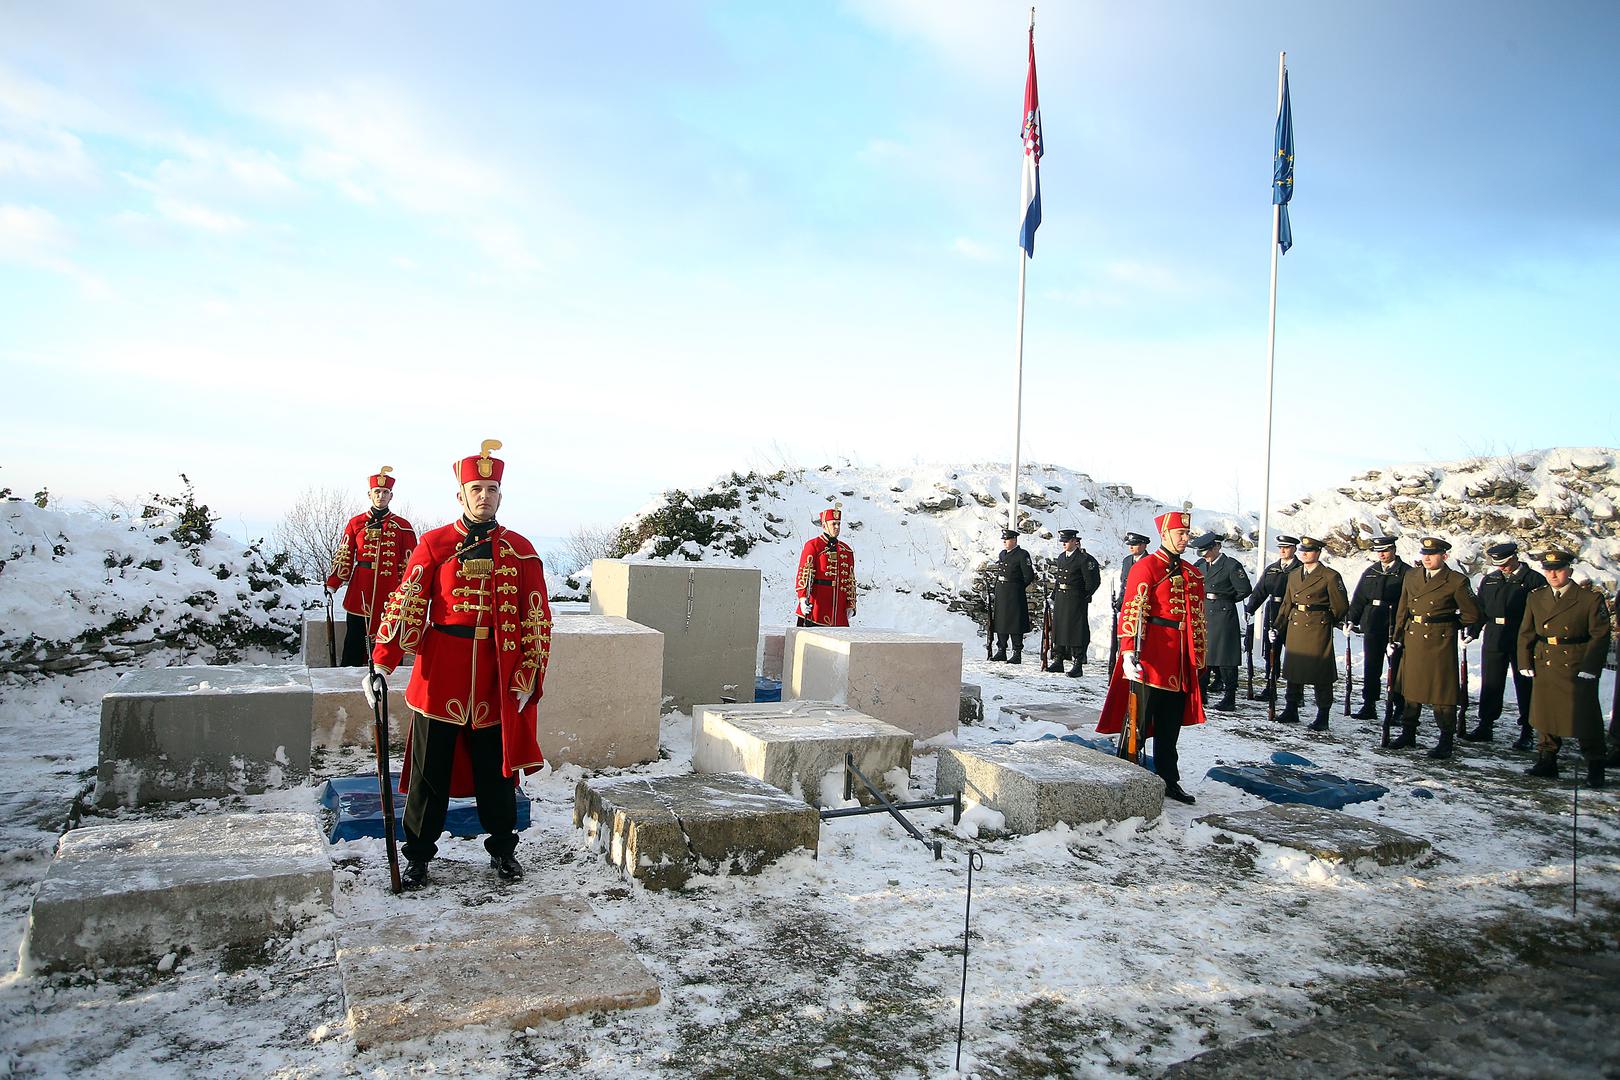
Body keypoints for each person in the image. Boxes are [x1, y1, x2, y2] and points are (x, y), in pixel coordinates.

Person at [369, 440, 551, 888]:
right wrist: (382, 663)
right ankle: (418, 856)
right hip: (440, 674)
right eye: (476, 489)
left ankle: (503, 850)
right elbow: (406, 603)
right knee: (429, 773)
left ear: (500, 496)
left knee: (497, 772)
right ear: (461, 495)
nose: (484, 496)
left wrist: (528, 673)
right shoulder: (434, 544)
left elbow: (536, 617)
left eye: (491, 489)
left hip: (495, 676)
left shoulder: (521, 550)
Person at [1097, 510, 1207, 804]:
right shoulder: (1146, 567)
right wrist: (1128, 652)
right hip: (1152, 655)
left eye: (1187, 534)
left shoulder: (1191, 572)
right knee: (1139, 722)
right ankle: (1127, 775)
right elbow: (1132, 609)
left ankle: (1169, 778)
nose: (1185, 538)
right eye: (1180, 533)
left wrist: (1196, 657)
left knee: (1170, 725)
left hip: (1179, 659)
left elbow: (1197, 617)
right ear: (1165, 534)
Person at [1518, 549, 1611, 787]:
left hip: (1576, 662)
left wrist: (1590, 666)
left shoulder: (1589, 599)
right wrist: (1524, 660)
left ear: (1569, 570)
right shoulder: (1536, 597)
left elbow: (1600, 635)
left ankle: (1595, 764)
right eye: (1548, 570)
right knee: (1545, 712)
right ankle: (1547, 759)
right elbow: (1527, 631)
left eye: (1558, 570)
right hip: (1546, 659)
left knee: (1584, 716)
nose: (1552, 575)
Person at [1388, 536, 1481, 758]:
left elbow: (1472, 614)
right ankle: (1408, 732)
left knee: (1442, 692)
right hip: (1413, 637)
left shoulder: (1456, 581)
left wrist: (1448, 625)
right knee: (1411, 689)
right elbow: (1403, 608)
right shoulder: (1412, 576)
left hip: (1440, 641)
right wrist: (1396, 637)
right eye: (1425, 554)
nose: (1427, 558)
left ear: (1444, 556)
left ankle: (1446, 739)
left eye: (1432, 555)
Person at [325, 467, 417, 667]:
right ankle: (349, 676)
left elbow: (411, 564)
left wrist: (408, 593)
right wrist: (333, 584)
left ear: (391, 496)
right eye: (377, 492)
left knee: (389, 638)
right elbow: (345, 555)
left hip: (390, 592)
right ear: (370, 494)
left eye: (385, 492)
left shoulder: (403, 526)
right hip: (360, 590)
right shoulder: (356, 523)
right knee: (354, 639)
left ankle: (386, 675)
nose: (381, 496)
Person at [1466, 541, 1546, 747]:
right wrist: (1473, 631)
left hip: (1522, 635)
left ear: (1515, 557)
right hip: (1495, 634)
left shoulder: (1534, 580)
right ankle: (1486, 724)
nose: (1502, 568)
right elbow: (1481, 609)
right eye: (1498, 564)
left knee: (1525, 683)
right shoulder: (1490, 580)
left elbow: (1542, 612)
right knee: (1491, 681)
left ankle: (1527, 729)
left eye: (1505, 563)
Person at [1272, 536, 1350, 730]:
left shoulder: (1329, 576)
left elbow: (1340, 606)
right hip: (1296, 625)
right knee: (1294, 669)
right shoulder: (1294, 574)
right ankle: (1291, 708)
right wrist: (1277, 626)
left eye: (1309, 551)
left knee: (1320, 672)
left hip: (1317, 627)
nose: (1305, 554)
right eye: (1303, 550)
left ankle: (1323, 714)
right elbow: (1287, 603)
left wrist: (1325, 620)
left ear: (1318, 553)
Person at [1346, 536, 1408, 722]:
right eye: (1379, 551)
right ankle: (1369, 704)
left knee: (1396, 668)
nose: (1382, 554)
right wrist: (1351, 619)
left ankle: (1400, 706)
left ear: (1394, 550)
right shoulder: (1371, 571)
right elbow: (1359, 598)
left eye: (1385, 550)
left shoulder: (1406, 572)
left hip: (1394, 625)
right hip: (1372, 624)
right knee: (1371, 666)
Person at [1192, 532, 1252, 712]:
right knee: (1204, 655)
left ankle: (1229, 697)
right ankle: (1201, 693)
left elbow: (1244, 590)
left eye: (1207, 551)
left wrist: (1225, 600)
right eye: (1202, 552)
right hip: (1204, 612)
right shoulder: (1201, 565)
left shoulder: (1231, 565)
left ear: (1217, 547)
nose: (1205, 556)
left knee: (1226, 657)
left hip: (1223, 614)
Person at [1245, 535, 1300, 700]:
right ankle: (1271, 686)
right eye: (1280, 547)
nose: (1282, 550)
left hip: (1293, 613)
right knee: (1271, 652)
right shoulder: (1272, 569)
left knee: (1294, 654)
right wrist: (1250, 608)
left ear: (1294, 549)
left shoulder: (1300, 569)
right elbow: (1260, 591)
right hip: (1273, 612)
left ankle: (1297, 692)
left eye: (1286, 547)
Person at [1046, 529, 1101, 677]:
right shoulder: (1061, 557)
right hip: (1061, 598)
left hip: (1076, 598)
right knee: (1059, 628)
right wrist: (1053, 596)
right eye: (1062, 541)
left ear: (1074, 541)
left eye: (1066, 541)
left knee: (1077, 630)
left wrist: (1083, 595)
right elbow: (1058, 580)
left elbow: (1092, 582)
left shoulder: (1084, 559)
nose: (1063, 544)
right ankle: (1058, 659)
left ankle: (1078, 662)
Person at [795, 505, 856, 627]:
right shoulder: (813, 545)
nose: (837, 527)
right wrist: (802, 598)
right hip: (817, 608)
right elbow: (804, 573)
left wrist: (851, 604)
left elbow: (850, 579)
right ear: (824, 526)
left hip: (838, 610)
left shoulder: (846, 550)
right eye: (833, 524)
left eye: (839, 524)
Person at [990, 528, 1036, 663]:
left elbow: (1028, 575)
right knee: (1001, 621)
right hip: (1002, 591)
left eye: (1007, 539)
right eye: (1003, 540)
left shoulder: (1022, 554)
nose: (1004, 542)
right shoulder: (1002, 554)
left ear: (1014, 540)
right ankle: (1001, 650)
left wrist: (1017, 587)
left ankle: (1017, 652)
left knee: (1015, 623)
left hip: (1014, 593)